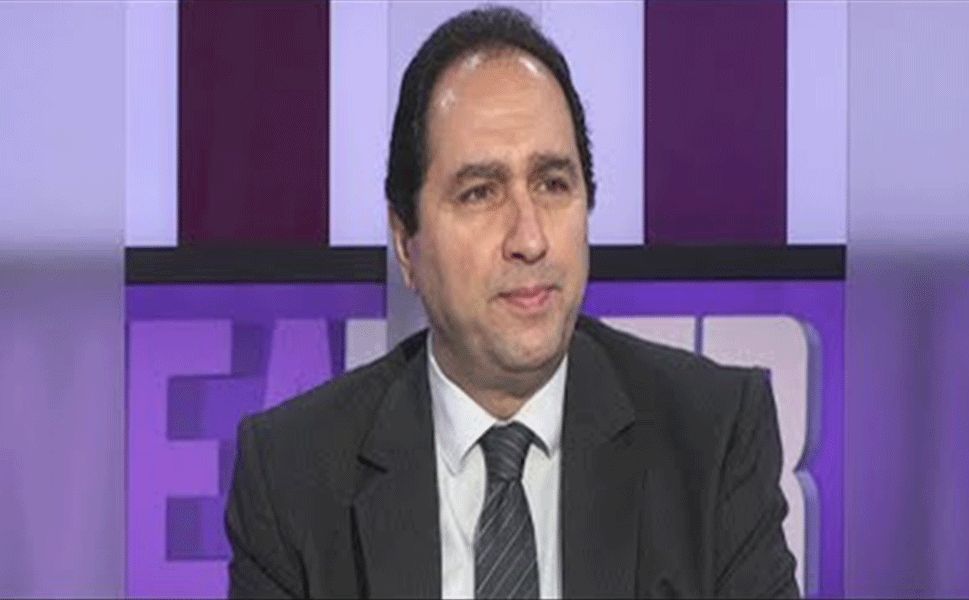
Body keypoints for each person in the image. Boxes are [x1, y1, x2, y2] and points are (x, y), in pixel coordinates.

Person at [225, 6, 798, 598]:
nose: (530, 238)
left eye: (553, 184)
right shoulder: (294, 478)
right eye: (480, 193)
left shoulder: (712, 439)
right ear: (405, 242)